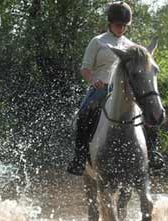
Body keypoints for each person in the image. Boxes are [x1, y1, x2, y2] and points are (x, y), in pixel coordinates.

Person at [67, 2, 135, 176]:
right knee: (83, 115)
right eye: (118, 25)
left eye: (124, 26)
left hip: (123, 91)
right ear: (110, 23)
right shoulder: (98, 41)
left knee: (147, 113)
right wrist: (93, 80)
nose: (121, 29)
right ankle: (79, 158)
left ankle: (151, 154)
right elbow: (85, 68)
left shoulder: (130, 45)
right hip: (101, 88)